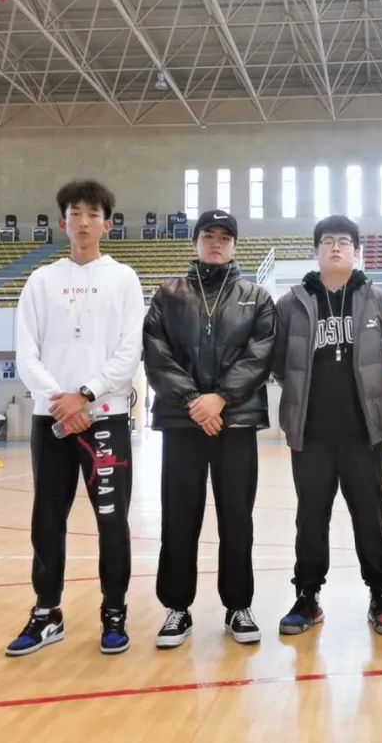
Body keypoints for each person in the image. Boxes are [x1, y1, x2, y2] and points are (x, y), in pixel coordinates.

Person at [6, 179, 144, 658]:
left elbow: (130, 350)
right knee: (47, 519)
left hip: (105, 420)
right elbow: (26, 353)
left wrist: (85, 395)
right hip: (52, 422)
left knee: (112, 522)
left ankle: (114, 611)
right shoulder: (40, 281)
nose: (83, 222)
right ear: (62, 223)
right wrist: (59, 399)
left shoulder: (124, 279)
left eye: (92, 214)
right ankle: (47, 612)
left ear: (108, 224)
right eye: (74, 214)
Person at [144, 209, 276, 649]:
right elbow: (156, 353)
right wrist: (193, 401)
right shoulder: (168, 294)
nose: (216, 243)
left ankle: (238, 606)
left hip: (235, 422)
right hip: (182, 423)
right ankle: (176, 608)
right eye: (208, 236)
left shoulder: (257, 296)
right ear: (195, 243)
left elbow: (260, 355)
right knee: (179, 516)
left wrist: (220, 398)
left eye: (224, 237)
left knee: (237, 518)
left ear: (235, 246)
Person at [273, 215, 382, 636]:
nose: (335, 248)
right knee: (310, 519)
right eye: (327, 241)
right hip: (311, 434)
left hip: (364, 433)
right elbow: (278, 362)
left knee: (370, 518)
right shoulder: (291, 303)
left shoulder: (378, 301)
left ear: (356, 251)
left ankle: (381, 593)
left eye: (344, 242)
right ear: (316, 250)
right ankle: (307, 596)